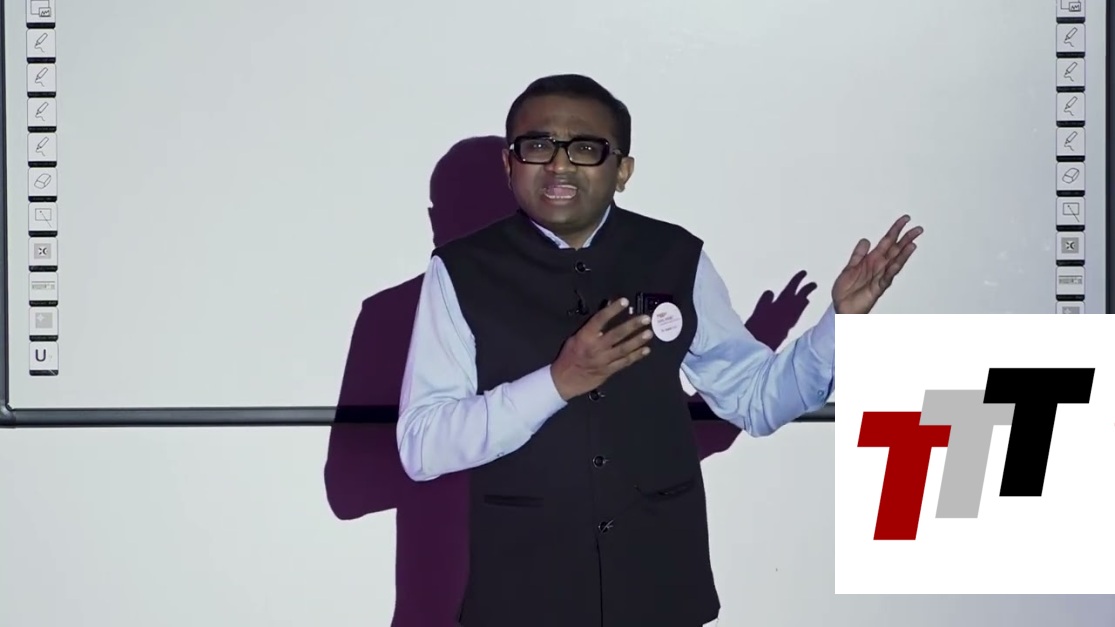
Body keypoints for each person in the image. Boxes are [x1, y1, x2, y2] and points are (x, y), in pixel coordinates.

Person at [396, 74, 922, 627]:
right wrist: (558, 381)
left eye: (585, 148)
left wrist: (841, 323)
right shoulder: (460, 271)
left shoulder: (674, 254)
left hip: (661, 588)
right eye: (538, 146)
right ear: (509, 164)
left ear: (622, 170)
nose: (559, 165)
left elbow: (755, 401)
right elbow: (422, 446)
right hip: (524, 595)